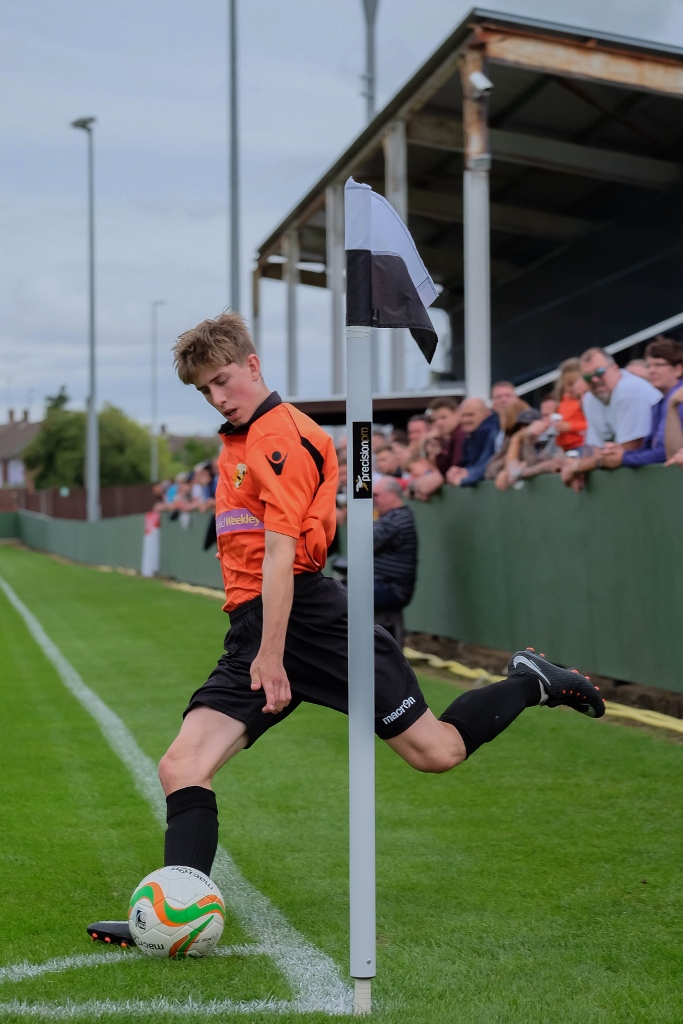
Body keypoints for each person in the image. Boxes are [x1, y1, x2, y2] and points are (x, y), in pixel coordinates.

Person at [87, 311, 604, 946]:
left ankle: (530, 681)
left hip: (312, 620)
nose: (217, 397)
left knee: (436, 753)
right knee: (182, 764)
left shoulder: (282, 437)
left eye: (223, 380)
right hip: (256, 626)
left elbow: (282, 555)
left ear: (253, 365)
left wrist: (271, 655)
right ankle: (174, 916)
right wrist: (260, 646)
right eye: (204, 390)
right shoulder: (239, 440)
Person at [561, 348, 660, 490]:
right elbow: (593, 449)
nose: (595, 380)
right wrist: (580, 471)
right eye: (588, 377)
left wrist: (577, 467)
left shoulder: (629, 389)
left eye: (600, 372)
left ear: (615, 368)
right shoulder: (590, 398)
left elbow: (627, 451)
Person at [600, 338, 683, 470]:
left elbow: (668, 454)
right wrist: (621, 453)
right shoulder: (660, 403)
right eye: (648, 365)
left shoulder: (679, 401)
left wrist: (624, 458)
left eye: (658, 365)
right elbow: (651, 449)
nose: (651, 371)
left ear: (678, 369)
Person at [372, 477, 417, 611]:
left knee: (337, 595)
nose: (373, 500)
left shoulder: (399, 518)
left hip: (391, 588)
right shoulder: (392, 516)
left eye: (376, 495)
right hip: (382, 584)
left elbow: (366, 543)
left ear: (392, 494)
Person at [410, 397, 464, 500]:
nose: (439, 423)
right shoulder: (451, 438)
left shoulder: (462, 435)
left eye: (444, 417)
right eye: (435, 420)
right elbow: (443, 470)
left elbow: (449, 471)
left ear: (457, 414)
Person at [445, 399, 498, 488]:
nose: (466, 420)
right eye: (463, 415)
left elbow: (487, 464)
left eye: (471, 415)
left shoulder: (486, 431)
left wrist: (465, 477)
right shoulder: (469, 435)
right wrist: (461, 471)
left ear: (486, 413)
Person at [491, 381, 518, 453]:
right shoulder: (489, 426)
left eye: (508, 396)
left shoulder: (525, 422)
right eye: (498, 397)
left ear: (516, 399)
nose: (503, 400)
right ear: (493, 403)